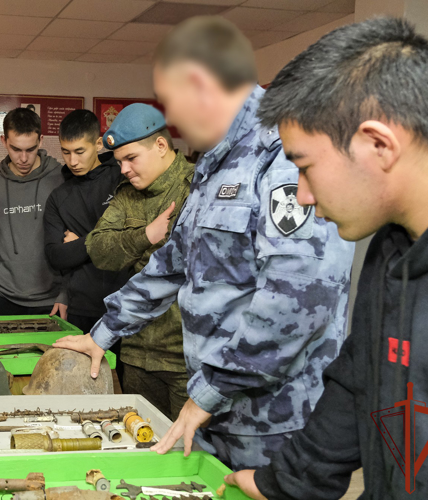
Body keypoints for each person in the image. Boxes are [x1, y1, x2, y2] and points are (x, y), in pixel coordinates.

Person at [55, 15, 354, 470]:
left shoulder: (284, 155)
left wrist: (212, 388)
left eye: (172, 102)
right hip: (218, 410)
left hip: (273, 421)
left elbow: (298, 300)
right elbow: (174, 262)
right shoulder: (217, 163)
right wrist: (105, 332)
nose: (170, 119)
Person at [223, 17, 428, 500]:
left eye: (305, 166)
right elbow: (362, 373)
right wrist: (291, 481)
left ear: (378, 143)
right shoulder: (395, 239)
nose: (303, 194)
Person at [80, 103, 194, 420]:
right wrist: (145, 235)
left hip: (183, 357)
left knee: (189, 456)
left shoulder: (196, 188)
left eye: (131, 159)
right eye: (119, 162)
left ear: (160, 145)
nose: (124, 169)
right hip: (135, 351)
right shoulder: (128, 194)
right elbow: (98, 248)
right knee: (143, 447)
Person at [43, 109, 130, 334]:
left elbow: (131, 240)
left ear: (99, 144)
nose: (73, 161)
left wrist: (80, 242)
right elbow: (56, 257)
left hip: (127, 303)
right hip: (82, 309)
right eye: (66, 152)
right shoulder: (59, 197)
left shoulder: (123, 178)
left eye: (80, 151)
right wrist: (100, 240)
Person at [0, 108, 67, 317]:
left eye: (31, 149)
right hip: (5, 299)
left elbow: (75, 241)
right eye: (16, 149)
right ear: (3, 141)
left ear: (41, 140)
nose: (24, 158)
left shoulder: (61, 179)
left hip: (54, 301)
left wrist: (66, 293)